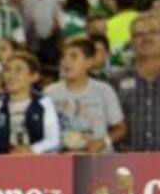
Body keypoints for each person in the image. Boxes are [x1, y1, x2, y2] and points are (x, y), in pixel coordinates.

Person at [45, 36, 126, 154]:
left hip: (99, 158)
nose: (66, 61)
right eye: (63, 56)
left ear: (89, 62)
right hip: (62, 159)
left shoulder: (104, 90)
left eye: (74, 56)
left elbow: (120, 128)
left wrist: (104, 141)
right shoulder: (49, 93)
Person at [0, 50, 61, 154]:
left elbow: (53, 140)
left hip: (37, 161)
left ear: (34, 77)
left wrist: (32, 150)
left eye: (18, 70)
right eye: (7, 70)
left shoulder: (43, 103)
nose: (11, 75)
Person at [116, 14, 160, 151]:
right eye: (139, 34)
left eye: (153, 32)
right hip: (128, 161)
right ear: (131, 41)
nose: (146, 38)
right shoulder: (115, 81)